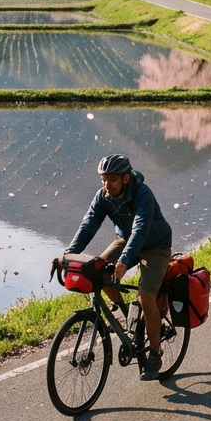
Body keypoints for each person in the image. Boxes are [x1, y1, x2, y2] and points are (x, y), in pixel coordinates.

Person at [66, 154, 173, 380]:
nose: (107, 184)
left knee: (146, 296)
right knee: (101, 273)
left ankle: (155, 353)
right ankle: (127, 317)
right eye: (104, 179)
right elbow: (89, 223)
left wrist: (124, 261)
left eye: (112, 179)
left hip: (155, 246)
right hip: (125, 240)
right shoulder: (103, 196)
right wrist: (69, 254)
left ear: (125, 178)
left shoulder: (143, 194)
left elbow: (141, 230)